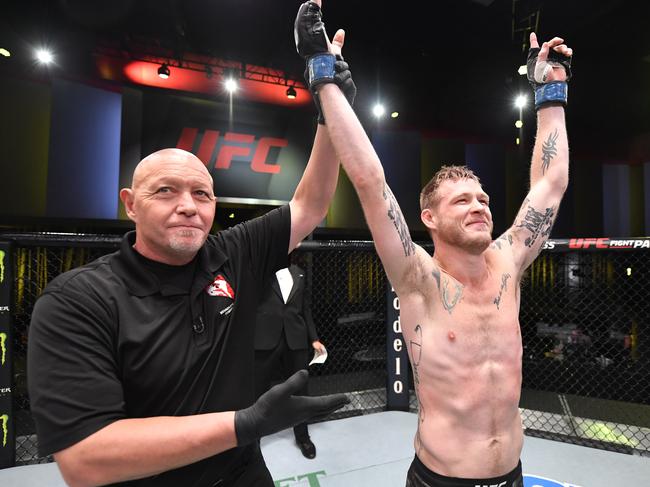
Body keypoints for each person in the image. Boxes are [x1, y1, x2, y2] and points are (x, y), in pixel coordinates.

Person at [26, 67, 354, 487]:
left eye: (202, 194)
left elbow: (310, 205)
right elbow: (84, 459)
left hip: (244, 476)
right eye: (165, 191)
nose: (188, 206)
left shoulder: (232, 252)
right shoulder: (77, 301)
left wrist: (329, 104)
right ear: (130, 204)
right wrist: (243, 424)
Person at [295, 2, 572, 486]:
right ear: (429, 218)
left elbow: (550, 186)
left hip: (512, 473)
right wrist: (324, 78)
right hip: (440, 479)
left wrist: (551, 92)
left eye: (483, 197)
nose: (479, 205)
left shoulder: (508, 262)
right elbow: (369, 180)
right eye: (461, 200)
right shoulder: (419, 279)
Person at [254, 262, 325, 459]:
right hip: (264, 338)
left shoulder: (299, 273)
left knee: (300, 389)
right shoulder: (260, 269)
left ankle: (302, 437)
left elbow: (305, 309)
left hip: (295, 338)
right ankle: (252, 440)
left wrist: (314, 339)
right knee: (257, 389)